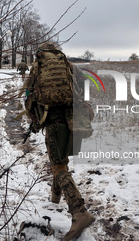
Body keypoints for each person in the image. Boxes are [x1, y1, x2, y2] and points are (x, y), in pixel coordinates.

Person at [24, 42, 95, 241]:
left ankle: (80, 213)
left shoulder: (38, 67)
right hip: (74, 122)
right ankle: (55, 199)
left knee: (58, 166)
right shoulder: (72, 68)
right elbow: (84, 92)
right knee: (61, 160)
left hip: (54, 123)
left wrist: (34, 120)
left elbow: (29, 97)